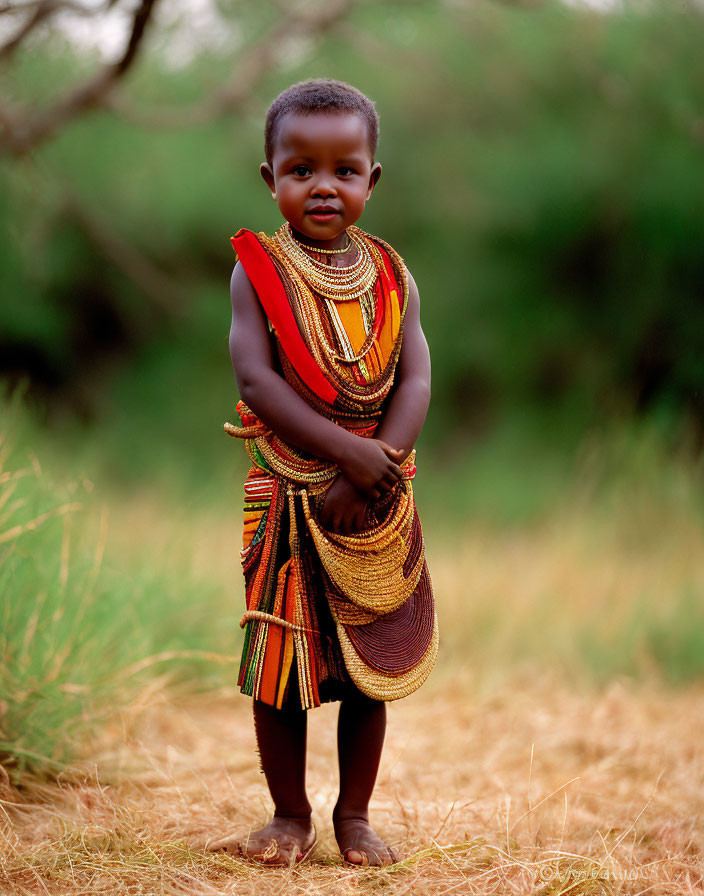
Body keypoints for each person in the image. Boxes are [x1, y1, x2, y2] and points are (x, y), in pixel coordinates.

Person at [207, 78, 437, 869]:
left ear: (373, 179)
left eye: (345, 170)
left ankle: (357, 817)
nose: (324, 186)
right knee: (281, 661)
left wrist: (383, 463)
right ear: (270, 179)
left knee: (368, 663)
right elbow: (256, 384)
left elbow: (414, 381)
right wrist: (347, 453)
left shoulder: (392, 277)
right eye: (301, 170)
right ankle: (288, 814)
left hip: (375, 498)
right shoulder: (258, 272)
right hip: (287, 493)